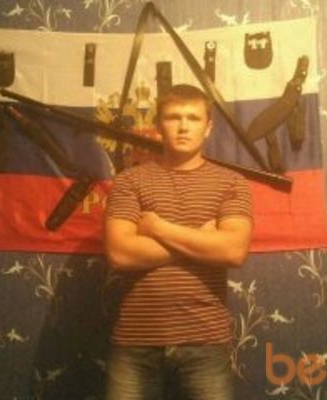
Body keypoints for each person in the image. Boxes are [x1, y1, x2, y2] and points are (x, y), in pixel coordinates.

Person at [104, 84, 253, 400]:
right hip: (135, 341)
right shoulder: (129, 181)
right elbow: (120, 254)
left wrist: (158, 228)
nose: (183, 126)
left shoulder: (232, 184)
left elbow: (233, 251)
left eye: (193, 118)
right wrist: (203, 239)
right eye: (173, 117)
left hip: (206, 341)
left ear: (208, 127)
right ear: (158, 125)